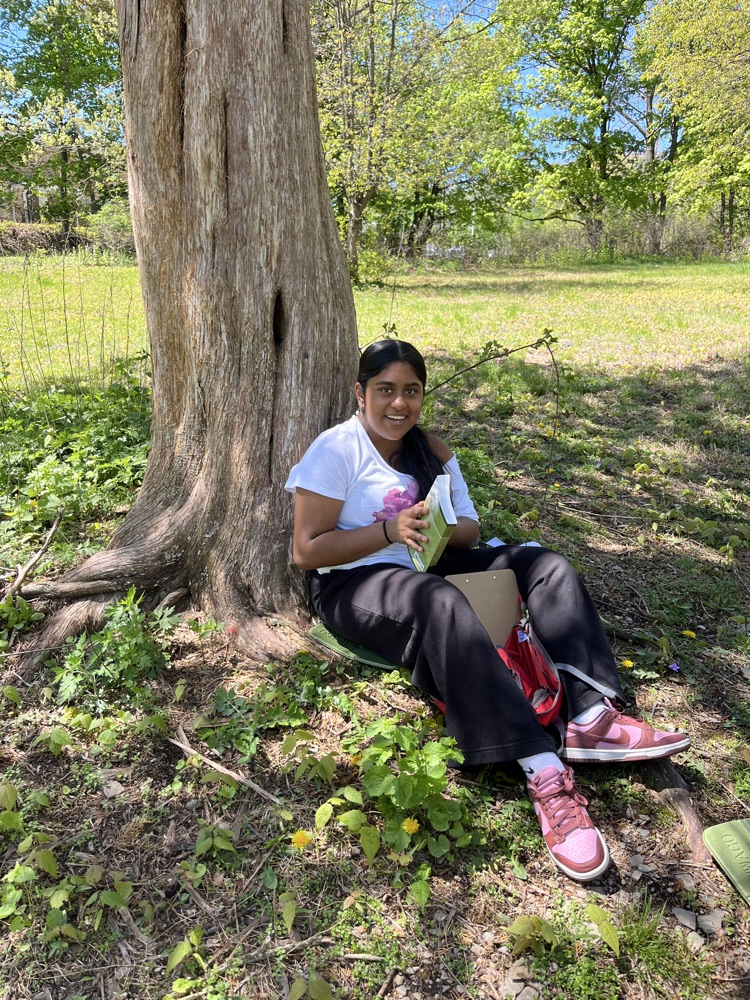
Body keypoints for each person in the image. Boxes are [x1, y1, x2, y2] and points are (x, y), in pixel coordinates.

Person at [285, 339, 689, 883]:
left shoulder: (430, 450)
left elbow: (470, 528)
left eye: (411, 391)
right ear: (361, 393)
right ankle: (542, 769)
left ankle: (590, 717)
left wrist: (440, 525)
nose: (398, 404)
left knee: (544, 565)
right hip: (352, 582)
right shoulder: (337, 451)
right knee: (441, 603)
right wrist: (389, 529)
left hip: (427, 562)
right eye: (385, 390)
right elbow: (305, 551)